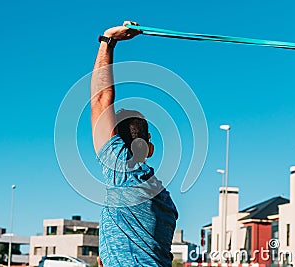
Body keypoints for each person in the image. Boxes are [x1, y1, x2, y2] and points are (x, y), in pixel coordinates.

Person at [91, 21, 178, 267]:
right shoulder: (165, 200)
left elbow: (101, 99)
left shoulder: (121, 170)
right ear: (148, 146)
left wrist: (108, 40)